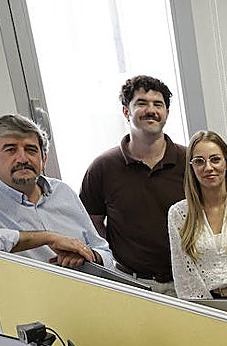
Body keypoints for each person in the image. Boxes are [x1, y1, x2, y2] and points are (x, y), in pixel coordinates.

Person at [0, 114, 112, 289]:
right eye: (11, 149)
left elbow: (105, 253)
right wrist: (48, 238)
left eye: (31, 149)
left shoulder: (62, 192)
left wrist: (89, 256)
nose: (23, 159)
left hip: (89, 302)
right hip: (27, 313)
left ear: (44, 159)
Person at [80, 75, 187, 294]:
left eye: (158, 104)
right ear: (126, 112)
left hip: (187, 281)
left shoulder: (189, 160)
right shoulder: (102, 167)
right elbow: (91, 224)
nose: (151, 110)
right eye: (141, 103)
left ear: (166, 113)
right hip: (131, 284)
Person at [167, 130, 227, 300]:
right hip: (205, 308)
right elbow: (184, 275)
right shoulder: (178, 214)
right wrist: (208, 312)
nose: (208, 167)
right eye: (199, 161)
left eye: (215, 159)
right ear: (191, 167)